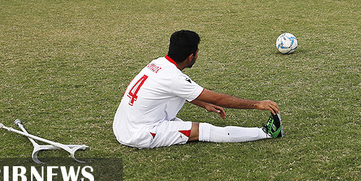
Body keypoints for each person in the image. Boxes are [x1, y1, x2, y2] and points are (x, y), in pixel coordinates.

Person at [113, 30, 283, 148]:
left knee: (182, 121)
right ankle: (266, 133)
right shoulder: (174, 78)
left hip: (123, 124)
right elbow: (218, 99)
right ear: (191, 56)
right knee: (204, 130)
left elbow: (176, 90)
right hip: (139, 133)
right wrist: (257, 104)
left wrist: (203, 104)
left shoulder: (158, 63)